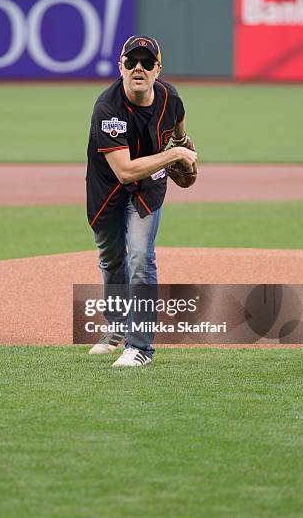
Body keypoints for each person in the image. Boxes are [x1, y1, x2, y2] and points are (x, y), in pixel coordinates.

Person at [86, 35, 197, 367]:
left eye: (147, 63)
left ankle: (141, 348)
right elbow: (124, 172)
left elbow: (180, 136)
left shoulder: (171, 99)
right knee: (110, 259)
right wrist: (176, 154)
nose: (138, 68)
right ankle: (117, 329)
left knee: (140, 259)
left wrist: (184, 148)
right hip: (108, 189)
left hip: (148, 187)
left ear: (157, 69)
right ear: (120, 66)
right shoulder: (108, 108)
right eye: (131, 61)